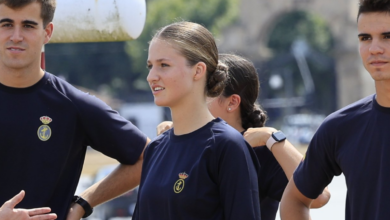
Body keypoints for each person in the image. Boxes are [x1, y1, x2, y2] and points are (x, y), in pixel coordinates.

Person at [0, 1, 150, 220]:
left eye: (28, 26)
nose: (16, 36)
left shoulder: (72, 105)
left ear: (47, 32)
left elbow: (149, 157)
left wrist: (84, 202)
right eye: (6, 24)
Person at [157, 53, 330, 220]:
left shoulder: (259, 151)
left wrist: (273, 138)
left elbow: (319, 196)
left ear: (232, 102)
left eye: (207, 92)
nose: (195, 98)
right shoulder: (186, 143)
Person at [132, 21, 261, 220]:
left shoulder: (227, 146)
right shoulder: (155, 148)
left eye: (164, 65)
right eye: (150, 66)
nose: (151, 76)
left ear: (198, 71)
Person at [280, 0, 390, 219]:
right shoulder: (340, 126)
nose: (374, 48)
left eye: (387, 36)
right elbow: (294, 200)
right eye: (365, 38)